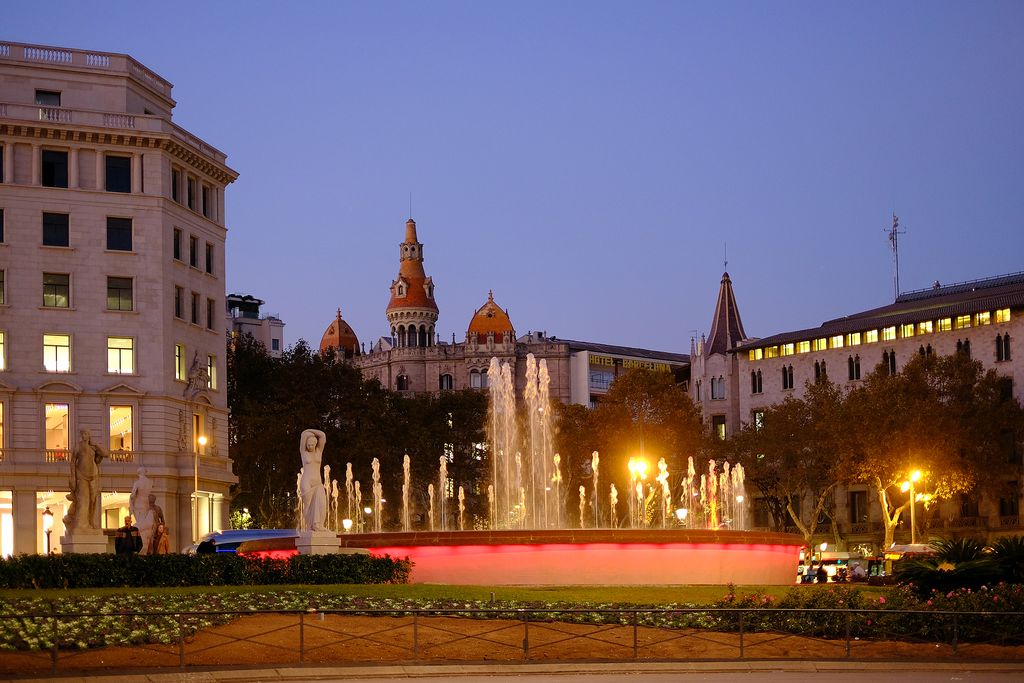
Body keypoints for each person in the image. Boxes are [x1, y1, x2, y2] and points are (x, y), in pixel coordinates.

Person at [64, 430, 108, 531]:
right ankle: (81, 525)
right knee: (83, 500)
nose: (83, 436)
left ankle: (91, 521)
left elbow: (105, 454)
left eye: (85, 434)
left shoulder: (93, 447)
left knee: (92, 500)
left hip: (93, 476)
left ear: (89, 435)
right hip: (81, 476)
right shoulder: (78, 446)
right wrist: (73, 477)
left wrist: (96, 444)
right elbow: (72, 462)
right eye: (82, 434)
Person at [298, 429, 328, 531]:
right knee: (308, 505)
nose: (310, 446)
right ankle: (309, 527)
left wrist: (310, 431)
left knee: (322, 504)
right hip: (306, 482)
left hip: (318, 482)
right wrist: (306, 432)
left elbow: (323, 436)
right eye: (308, 445)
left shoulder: (319, 451)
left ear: (315, 444)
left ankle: (320, 525)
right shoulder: (303, 452)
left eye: (312, 444)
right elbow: (303, 435)